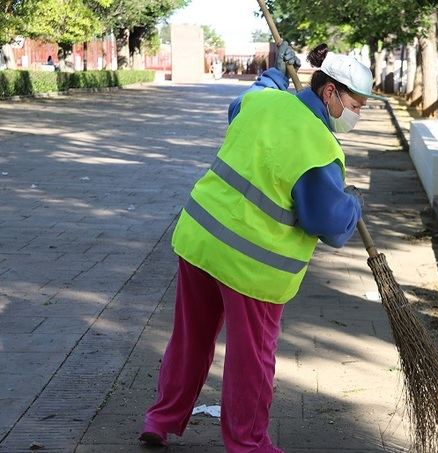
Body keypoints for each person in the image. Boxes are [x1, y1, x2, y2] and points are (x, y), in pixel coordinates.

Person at [139, 41, 382, 452]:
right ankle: (248, 443)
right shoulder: (320, 148)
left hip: (200, 241)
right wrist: (353, 204)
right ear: (329, 93)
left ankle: (160, 419)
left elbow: (242, 102)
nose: (357, 115)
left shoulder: (266, 102)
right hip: (252, 268)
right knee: (250, 358)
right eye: (356, 106)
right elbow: (327, 223)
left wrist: (274, 69)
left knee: (189, 338)